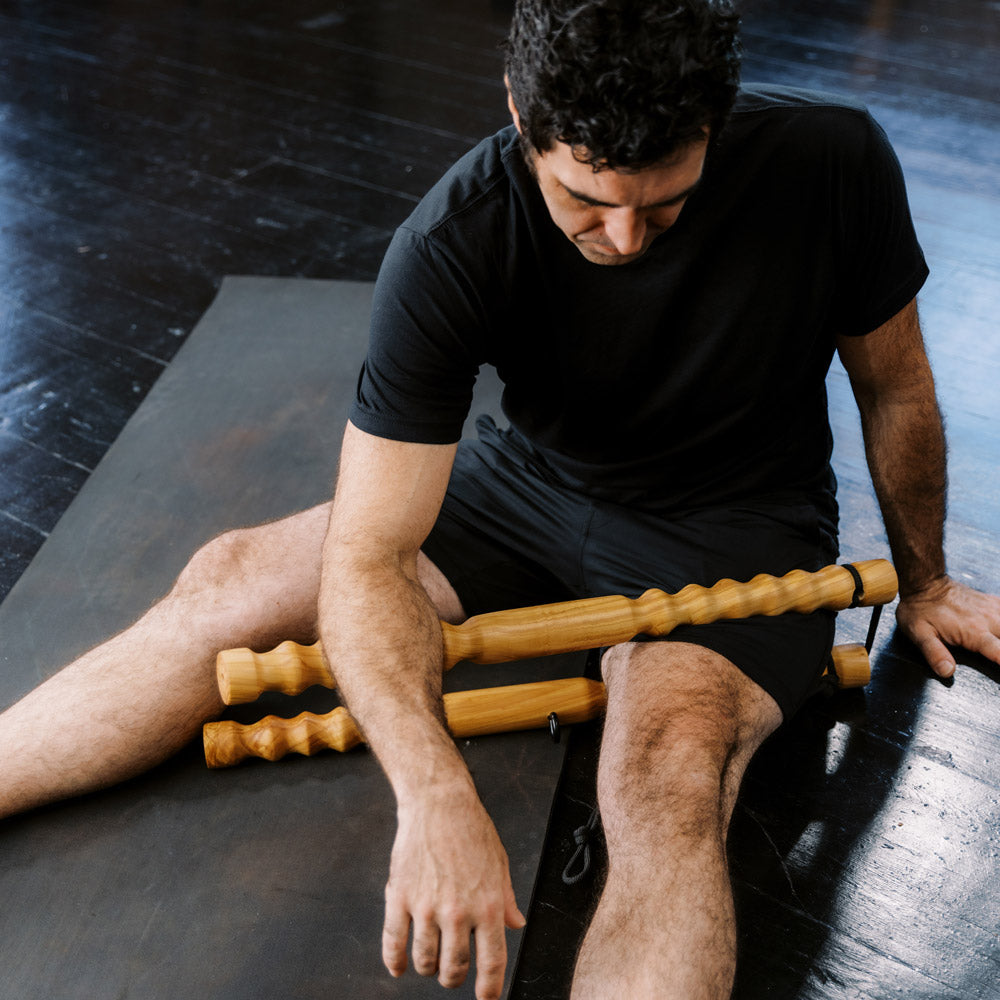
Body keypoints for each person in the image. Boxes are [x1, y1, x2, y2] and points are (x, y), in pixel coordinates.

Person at [2, 1, 999, 998]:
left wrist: (925, 581)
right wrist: (435, 792)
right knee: (230, 578)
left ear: (716, 124)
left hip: (736, 525)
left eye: (662, 205)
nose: (623, 237)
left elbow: (896, 385)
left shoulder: (831, 161)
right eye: (585, 200)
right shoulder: (453, 237)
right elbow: (369, 557)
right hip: (528, 486)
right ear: (519, 111)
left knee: (664, 778)